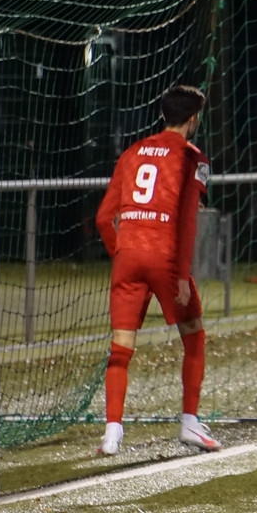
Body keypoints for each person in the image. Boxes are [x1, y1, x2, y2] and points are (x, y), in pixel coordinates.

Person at [95, 85, 220, 455]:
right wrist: (180, 276)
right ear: (193, 119)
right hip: (164, 258)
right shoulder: (192, 157)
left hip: (129, 255)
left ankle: (112, 434)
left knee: (121, 347)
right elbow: (187, 222)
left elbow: (103, 218)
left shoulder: (132, 152)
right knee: (194, 335)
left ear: (164, 115)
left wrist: (121, 252)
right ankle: (190, 423)